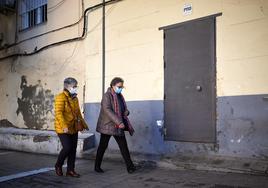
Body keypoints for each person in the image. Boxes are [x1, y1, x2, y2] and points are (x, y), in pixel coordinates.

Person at [95, 77, 136, 174]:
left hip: (117, 125)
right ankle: (97, 166)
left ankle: (130, 167)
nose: (121, 88)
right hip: (108, 125)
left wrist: (126, 112)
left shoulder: (120, 96)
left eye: (122, 86)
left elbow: (122, 109)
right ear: (113, 86)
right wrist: (119, 122)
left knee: (123, 146)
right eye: (119, 86)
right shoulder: (107, 96)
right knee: (102, 146)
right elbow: (107, 110)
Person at [54, 77, 88, 178]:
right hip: (62, 128)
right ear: (68, 86)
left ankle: (70, 170)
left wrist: (84, 124)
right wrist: (64, 126)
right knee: (67, 148)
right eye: (74, 86)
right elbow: (58, 113)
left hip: (73, 127)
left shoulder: (75, 98)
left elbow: (78, 113)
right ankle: (58, 165)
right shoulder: (60, 97)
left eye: (76, 86)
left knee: (73, 149)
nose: (76, 88)